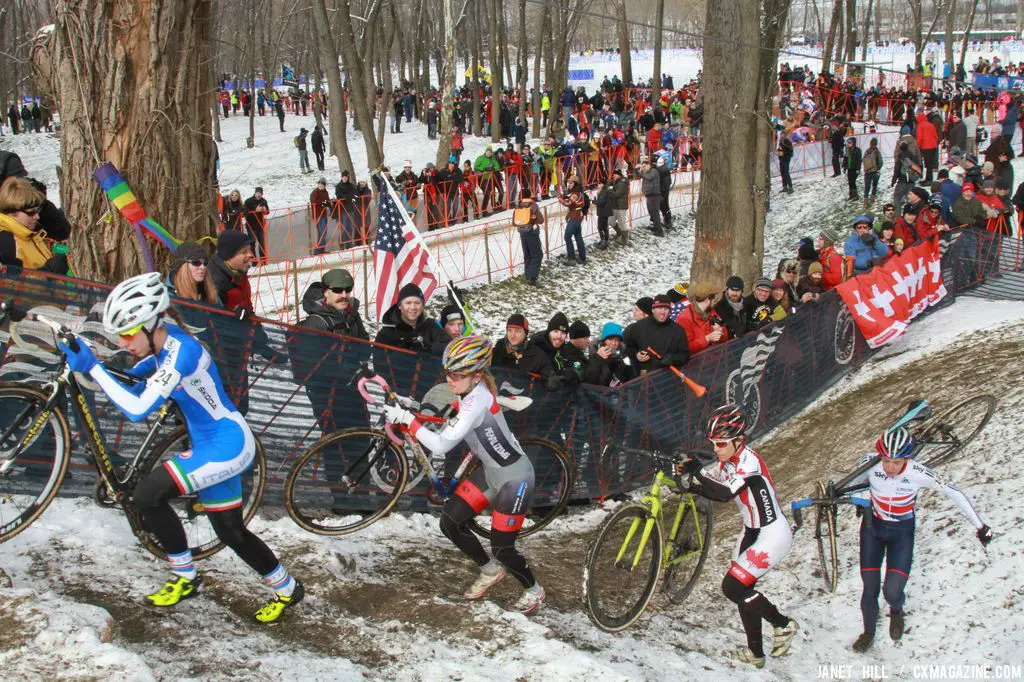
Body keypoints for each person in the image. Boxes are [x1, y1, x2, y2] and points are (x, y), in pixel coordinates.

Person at [57, 273, 303, 623]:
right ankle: (288, 588)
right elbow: (136, 373)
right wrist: (96, 362)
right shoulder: (164, 342)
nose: (125, 342)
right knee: (230, 532)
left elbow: (138, 408)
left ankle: (185, 576)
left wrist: (94, 369)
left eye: (128, 334)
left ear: (151, 324)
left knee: (147, 495)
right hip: (210, 442)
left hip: (227, 444)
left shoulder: (181, 352)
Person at [380, 336, 546, 615]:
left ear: (477, 374)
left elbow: (442, 444)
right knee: (450, 522)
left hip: (515, 477)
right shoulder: (469, 389)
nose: (450, 379)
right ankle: (490, 571)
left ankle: (534, 591)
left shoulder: (476, 401)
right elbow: (447, 412)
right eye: (447, 372)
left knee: (503, 547)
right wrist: (412, 406)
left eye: (456, 374)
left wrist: (409, 421)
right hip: (492, 471)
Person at [844, 428, 992, 652]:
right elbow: (854, 484)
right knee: (870, 587)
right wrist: (859, 501)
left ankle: (896, 609)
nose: (890, 468)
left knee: (892, 591)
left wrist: (980, 526)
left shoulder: (919, 472)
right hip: (872, 530)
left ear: (907, 458)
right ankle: (868, 633)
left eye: (897, 462)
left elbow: (954, 492)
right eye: (885, 461)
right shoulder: (869, 463)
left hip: (901, 533)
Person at [681, 405, 797, 667]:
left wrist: (697, 473)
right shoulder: (728, 461)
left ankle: (784, 624)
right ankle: (756, 654)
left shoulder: (749, 462)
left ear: (739, 440)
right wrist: (687, 476)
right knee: (745, 593)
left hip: (772, 533)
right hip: (751, 530)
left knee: (732, 588)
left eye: (721, 443)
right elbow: (711, 487)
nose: (716, 449)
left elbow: (724, 494)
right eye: (713, 444)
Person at [0, 177, 67, 273]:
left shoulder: (27, 231)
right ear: (12, 212)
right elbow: (10, 284)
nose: (37, 217)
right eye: (31, 212)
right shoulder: (6, 243)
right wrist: (49, 274)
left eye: (38, 211)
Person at [623, 294, 690, 374]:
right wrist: (637, 355)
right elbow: (627, 347)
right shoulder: (637, 327)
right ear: (653, 310)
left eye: (666, 308)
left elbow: (685, 356)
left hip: (668, 378)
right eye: (659, 308)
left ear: (670, 311)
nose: (662, 312)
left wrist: (672, 359)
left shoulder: (678, 330)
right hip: (643, 378)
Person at [674, 283, 727, 355]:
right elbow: (686, 348)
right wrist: (707, 338)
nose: (715, 302)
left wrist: (721, 332)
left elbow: (725, 337)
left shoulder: (712, 312)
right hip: (696, 363)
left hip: (715, 359)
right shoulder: (684, 319)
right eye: (715, 300)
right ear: (708, 300)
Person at [512, 186, 544, 286]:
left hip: (522, 232)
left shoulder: (518, 205)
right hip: (532, 232)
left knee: (527, 255)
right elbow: (541, 220)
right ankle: (532, 278)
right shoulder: (533, 205)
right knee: (537, 254)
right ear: (530, 195)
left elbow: (514, 222)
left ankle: (527, 275)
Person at [557, 177, 587, 266]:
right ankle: (582, 257)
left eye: (571, 183)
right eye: (568, 183)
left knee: (567, 236)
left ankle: (571, 258)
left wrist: (560, 198)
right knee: (578, 236)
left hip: (575, 216)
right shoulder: (576, 192)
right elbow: (569, 198)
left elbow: (568, 203)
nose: (569, 185)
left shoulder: (576, 193)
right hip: (577, 216)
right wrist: (563, 196)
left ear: (575, 184)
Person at [714, 276, 749, 340]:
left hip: (743, 340)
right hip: (727, 343)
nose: (735, 293)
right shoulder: (719, 305)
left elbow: (748, 322)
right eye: (732, 290)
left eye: (738, 290)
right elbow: (717, 323)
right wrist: (732, 326)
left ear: (742, 291)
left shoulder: (746, 303)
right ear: (727, 289)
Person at [243, 187, 270, 261]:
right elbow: (245, 213)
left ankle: (263, 261)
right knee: (252, 243)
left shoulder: (263, 201)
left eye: (260, 193)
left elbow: (268, 212)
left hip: (260, 225)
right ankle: (254, 262)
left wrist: (265, 209)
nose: (258, 195)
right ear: (255, 193)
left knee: (262, 243)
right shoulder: (248, 201)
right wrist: (255, 210)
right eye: (257, 193)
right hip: (251, 225)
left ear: (262, 194)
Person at [639, 157, 664, 236]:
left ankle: (660, 231)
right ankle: (655, 227)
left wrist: (641, 172)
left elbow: (648, 177)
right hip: (649, 195)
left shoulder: (654, 171)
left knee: (655, 213)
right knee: (651, 212)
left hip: (655, 195)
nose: (643, 168)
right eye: (642, 166)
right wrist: (637, 169)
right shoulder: (645, 172)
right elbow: (636, 175)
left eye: (644, 166)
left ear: (648, 165)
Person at [309, 178, 332, 255]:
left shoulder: (325, 192)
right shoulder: (315, 192)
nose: (321, 185)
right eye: (319, 184)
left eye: (322, 184)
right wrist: (323, 203)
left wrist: (328, 204)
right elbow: (314, 202)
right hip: (318, 215)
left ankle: (322, 248)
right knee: (321, 232)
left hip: (324, 214)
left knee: (324, 232)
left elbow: (327, 201)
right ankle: (318, 249)